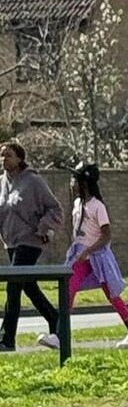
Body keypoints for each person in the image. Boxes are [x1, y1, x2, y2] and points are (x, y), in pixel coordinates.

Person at [65, 163, 128, 348]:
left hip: (97, 258)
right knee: (68, 290)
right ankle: (60, 333)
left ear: (84, 183)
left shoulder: (97, 206)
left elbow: (106, 235)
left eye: (74, 180)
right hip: (80, 259)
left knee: (112, 295)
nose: (71, 183)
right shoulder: (77, 204)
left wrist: (89, 250)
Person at [0, 139, 63, 352]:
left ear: (20, 158)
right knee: (28, 285)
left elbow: (55, 208)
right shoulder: (2, 183)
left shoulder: (33, 181)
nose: (3, 159)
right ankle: (56, 320)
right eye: (2, 155)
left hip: (30, 240)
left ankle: (6, 339)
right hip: (11, 242)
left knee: (13, 286)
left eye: (8, 155)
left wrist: (43, 227)